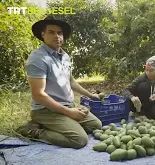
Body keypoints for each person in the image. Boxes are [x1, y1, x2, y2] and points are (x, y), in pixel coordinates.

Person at [15, 16, 102, 149]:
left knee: (96, 126)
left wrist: (90, 95)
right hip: (46, 110)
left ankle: (49, 124)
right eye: (51, 32)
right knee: (79, 139)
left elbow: (70, 81)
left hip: (67, 104)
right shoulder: (38, 58)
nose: (57, 36)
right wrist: (69, 113)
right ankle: (34, 130)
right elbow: (38, 95)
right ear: (43, 34)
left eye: (59, 33)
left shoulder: (65, 56)